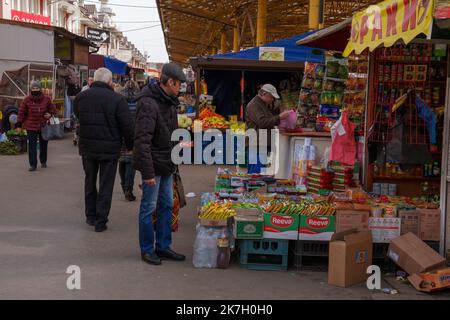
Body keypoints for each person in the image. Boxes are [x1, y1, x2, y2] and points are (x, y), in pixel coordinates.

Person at [134, 63, 186, 265]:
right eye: (179, 83)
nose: (180, 87)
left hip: (167, 163)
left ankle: (163, 246)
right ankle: (147, 249)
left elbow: (168, 133)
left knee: (166, 206)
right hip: (153, 166)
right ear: (170, 82)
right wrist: (147, 174)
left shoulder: (169, 101)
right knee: (148, 207)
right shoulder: (148, 103)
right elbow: (142, 140)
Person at [74, 68, 134, 233]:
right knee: (106, 185)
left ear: (93, 80)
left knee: (89, 181)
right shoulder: (117, 99)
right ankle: (101, 222)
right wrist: (130, 146)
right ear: (109, 82)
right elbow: (127, 126)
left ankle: (90, 216)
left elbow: (78, 116)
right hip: (110, 149)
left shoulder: (80, 97)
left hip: (87, 148)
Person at [245, 84, 291, 174]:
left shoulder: (262, 104)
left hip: (261, 143)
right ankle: (255, 188)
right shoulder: (254, 105)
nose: (272, 100)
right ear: (264, 94)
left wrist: (276, 127)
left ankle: (256, 187)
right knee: (256, 174)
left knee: (258, 173)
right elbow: (262, 123)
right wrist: (279, 117)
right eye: (271, 97)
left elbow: (266, 121)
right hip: (257, 145)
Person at [16, 81, 55, 171]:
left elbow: (52, 109)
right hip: (31, 126)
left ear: (40, 89)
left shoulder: (46, 99)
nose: (35, 90)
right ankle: (33, 165)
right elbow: (21, 113)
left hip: (43, 125)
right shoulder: (26, 100)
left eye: (37, 88)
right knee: (32, 146)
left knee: (44, 145)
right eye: (33, 88)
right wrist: (18, 124)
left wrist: (50, 114)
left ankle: (43, 161)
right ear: (30, 89)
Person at [118, 80, 140, 201]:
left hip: (121, 134)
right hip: (134, 134)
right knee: (131, 163)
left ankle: (123, 185)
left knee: (122, 160)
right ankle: (128, 189)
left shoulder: (120, 100)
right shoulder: (139, 100)